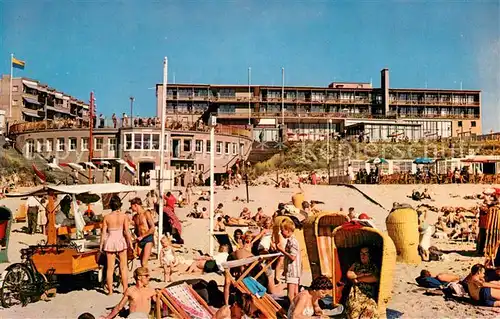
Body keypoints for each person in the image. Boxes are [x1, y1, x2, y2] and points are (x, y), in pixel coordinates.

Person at [100, 195, 133, 295]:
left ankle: (110, 291)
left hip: (110, 240)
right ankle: (125, 289)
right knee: (123, 267)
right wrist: (130, 243)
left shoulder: (107, 217)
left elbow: (103, 233)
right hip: (120, 240)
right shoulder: (124, 216)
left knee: (110, 269)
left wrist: (101, 245)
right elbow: (127, 232)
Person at [346, 247, 380, 319]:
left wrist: (358, 279)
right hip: (356, 295)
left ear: (369, 256)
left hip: (368, 296)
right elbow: (349, 274)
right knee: (354, 313)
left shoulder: (373, 266)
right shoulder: (356, 264)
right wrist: (362, 275)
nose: (363, 255)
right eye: (361, 253)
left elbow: (374, 278)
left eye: (365, 253)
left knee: (371, 311)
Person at [277, 219, 301, 303]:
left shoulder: (292, 241)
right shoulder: (292, 240)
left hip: (292, 271)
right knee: (295, 293)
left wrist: (281, 250)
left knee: (290, 295)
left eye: (282, 230)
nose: (281, 232)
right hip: (295, 271)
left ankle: (293, 312)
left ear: (288, 230)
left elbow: (292, 257)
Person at [131, 197, 155, 267]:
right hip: (140, 240)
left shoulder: (146, 213)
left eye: (131, 206)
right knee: (141, 262)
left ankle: (147, 277)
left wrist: (142, 236)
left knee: (144, 262)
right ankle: (145, 276)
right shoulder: (135, 217)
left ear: (135, 205)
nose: (131, 209)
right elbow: (136, 230)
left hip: (148, 238)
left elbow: (152, 228)